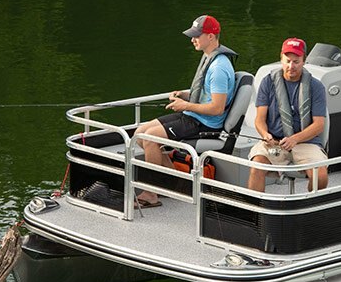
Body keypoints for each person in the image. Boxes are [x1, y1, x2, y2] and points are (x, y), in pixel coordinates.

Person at [133, 14, 237, 207]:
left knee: (150, 139)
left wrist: (185, 105)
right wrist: (185, 95)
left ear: (211, 36)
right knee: (140, 134)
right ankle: (178, 183)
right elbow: (205, 95)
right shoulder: (209, 57)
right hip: (193, 115)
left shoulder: (219, 68)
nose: (192, 39)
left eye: (197, 35)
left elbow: (217, 108)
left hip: (205, 123)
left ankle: (150, 194)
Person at [248, 38, 329, 192]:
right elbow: (259, 119)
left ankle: (307, 205)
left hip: (306, 143)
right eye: (288, 61)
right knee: (256, 166)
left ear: (304, 61)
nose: (291, 66)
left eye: (296, 62)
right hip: (275, 144)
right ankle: (256, 206)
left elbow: (319, 125)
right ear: (281, 59)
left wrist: (295, 139)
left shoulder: (316, 86)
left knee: (321, 177)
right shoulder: (267, 82)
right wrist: (265, 134)